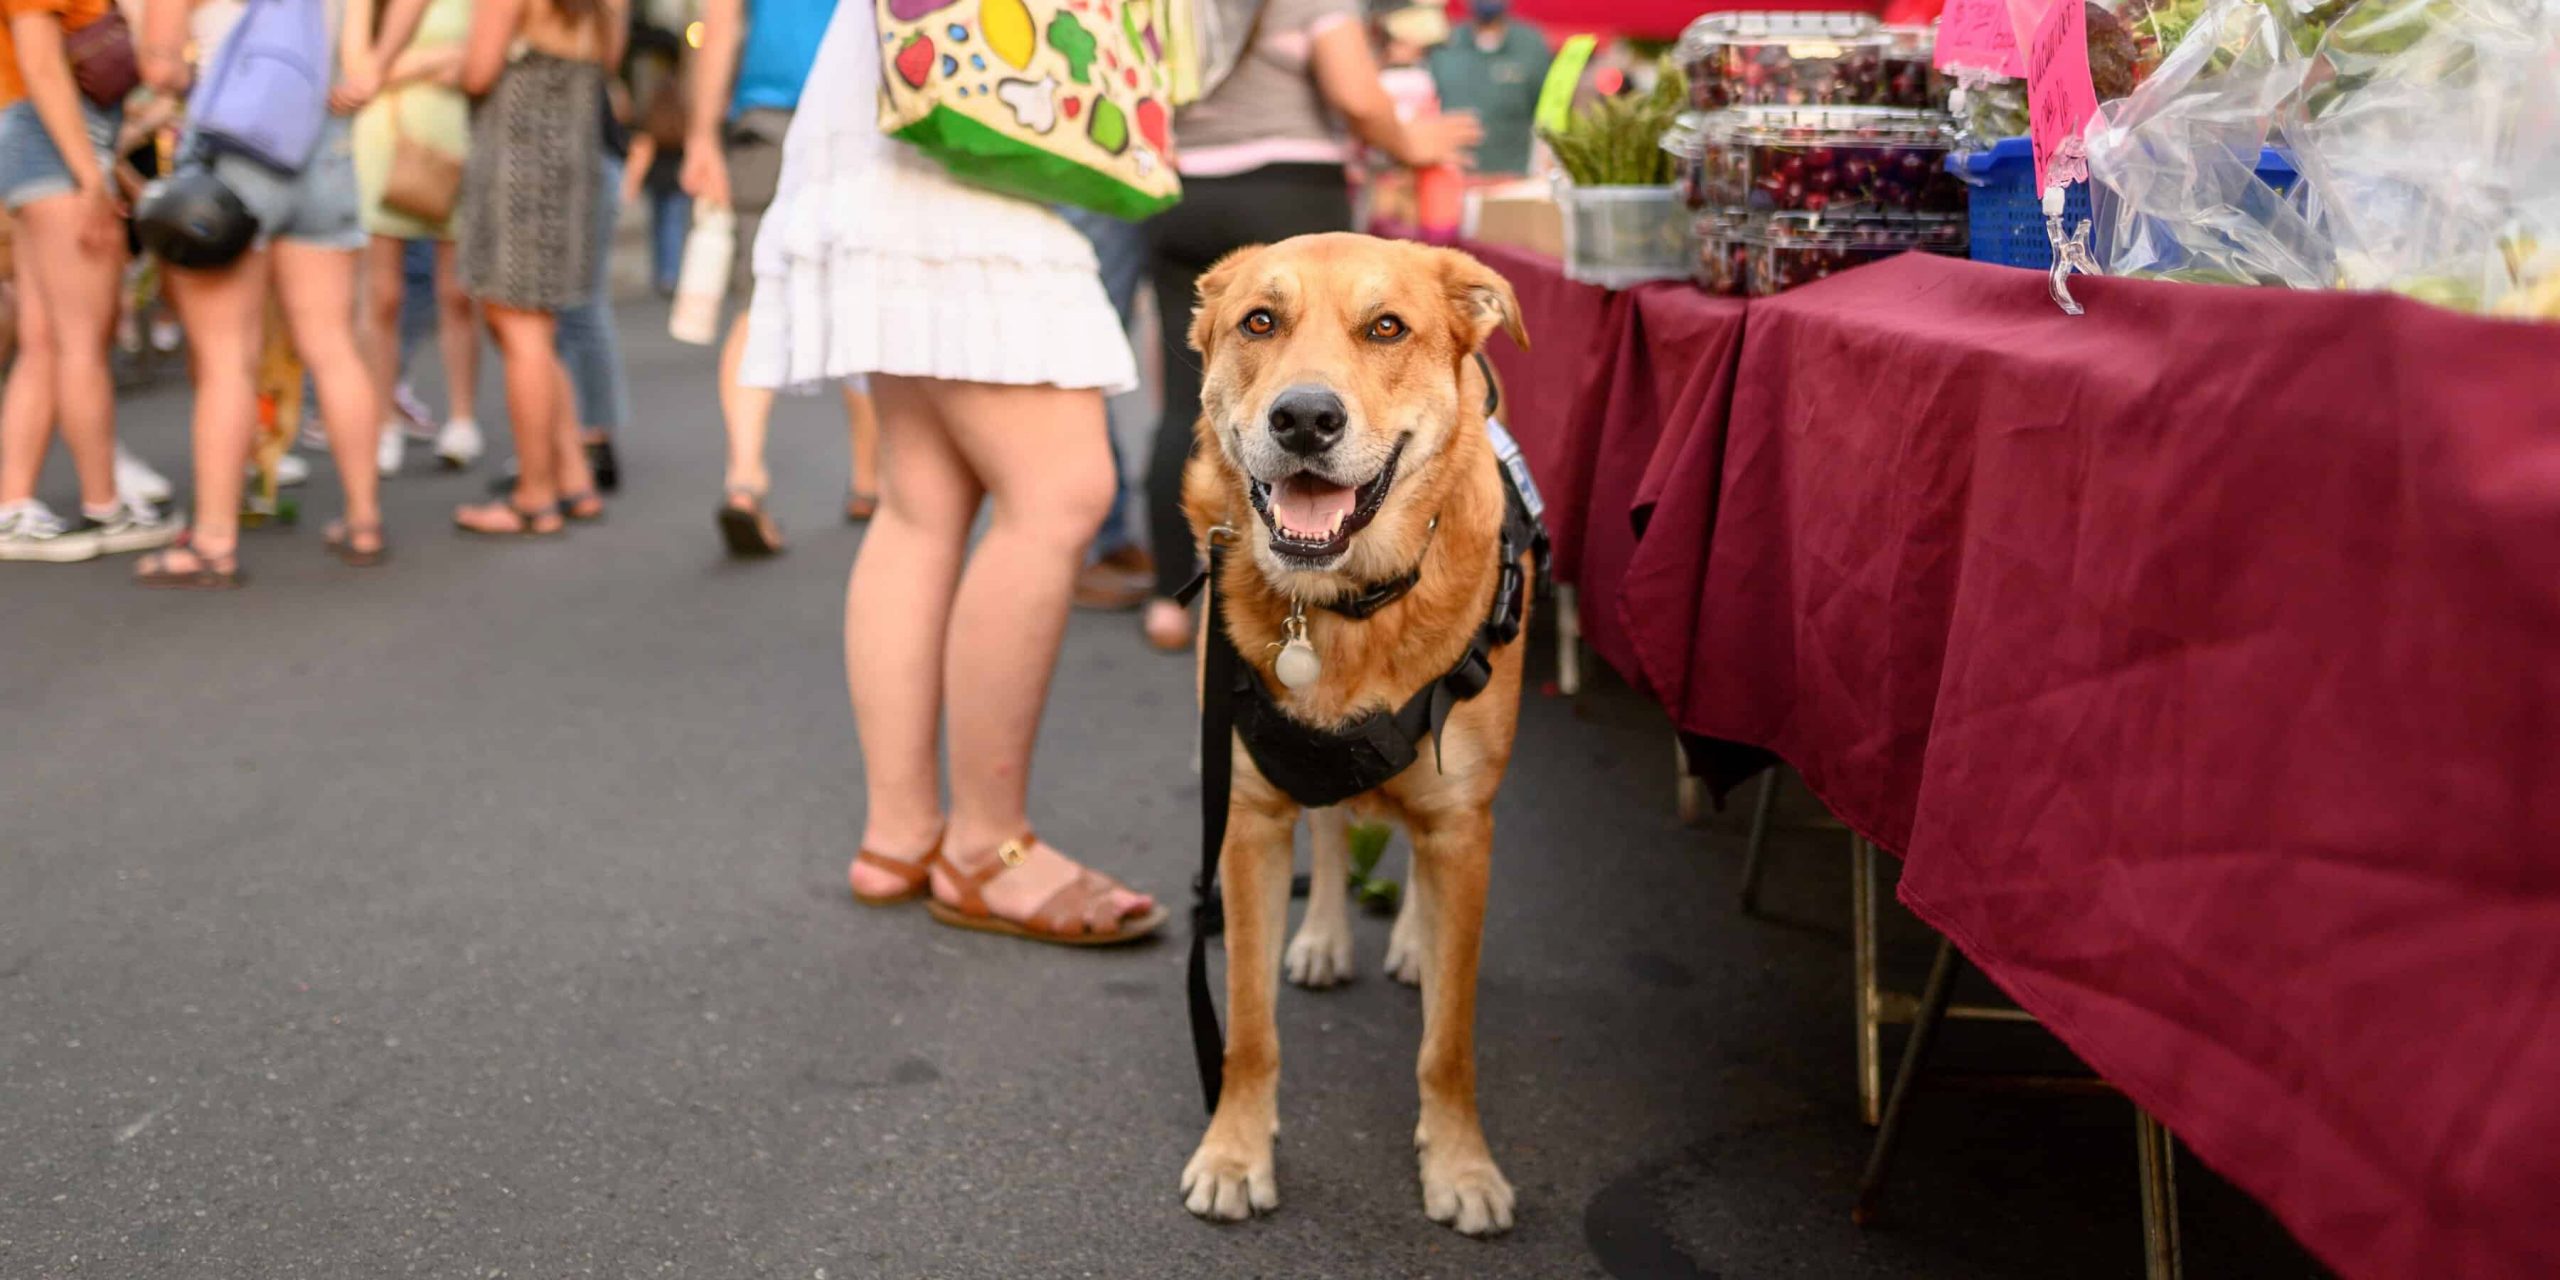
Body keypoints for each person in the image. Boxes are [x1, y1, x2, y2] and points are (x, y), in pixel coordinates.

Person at [743, 0, 1162, 943]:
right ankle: (986, 847)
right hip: (958, 140)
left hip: (895, 118)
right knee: (1061, 494)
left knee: (920, 502)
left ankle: (900, 833)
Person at [1134, 0, 1479, 650]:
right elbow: (1356, 92)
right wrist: (1412, 143)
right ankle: (1320, 600)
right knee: (1326, 387)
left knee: (1192, 400)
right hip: (1285, 189)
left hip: (1180, 191)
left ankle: (1168, 603)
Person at [125, 0, 390, 586]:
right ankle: (364, 520)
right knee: (334, 347)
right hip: (325, 153)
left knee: (226, 362)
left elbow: (161, 72)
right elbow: (361, 70)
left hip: (237, 152)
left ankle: (215, 542)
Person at [379, 0, 616, 537]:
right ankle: (573, 478)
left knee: (520, 328)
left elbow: (482, 71)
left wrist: (442, 64)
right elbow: (610, 60)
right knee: (538, 326)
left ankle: (534, 496)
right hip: (572, 154)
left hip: (519, 157)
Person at [683, 0, 877, 557]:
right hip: (857, 117)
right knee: (856, 300)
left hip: (767, 122)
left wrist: (701, 136)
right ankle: (871, 481)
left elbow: (719, 25)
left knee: (757, 302)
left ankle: (745, 478)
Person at [0, 0, 182, 562]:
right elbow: (41, 61)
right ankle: (104, 503)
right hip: (54, 143)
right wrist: (90, 175)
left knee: (46, 341)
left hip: (40, 139)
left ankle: (14, 507)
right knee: (82, 340)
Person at [350, 0, 482, 477]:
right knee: (382, 295)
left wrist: (401, 67)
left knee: (457, 293)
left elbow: (483, 60)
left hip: (455, 144)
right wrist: (431, 60)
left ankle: (463, 419)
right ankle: (383, 418)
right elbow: (357, 72)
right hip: (387, 140)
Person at [1425, 0, 1548, 177]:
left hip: (1511, 178)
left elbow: (1547, 115)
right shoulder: (1446, 45)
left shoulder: (1530, 46)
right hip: (1454, 176)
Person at [625, 75, 686, 296]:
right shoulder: (683, 118)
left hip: (657, 180)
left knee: (659, 227)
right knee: (674, 226)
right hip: (678, 179)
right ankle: (671, 273)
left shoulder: (653, 118)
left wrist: (633, 182)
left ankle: (661, 273)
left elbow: (644, 148)